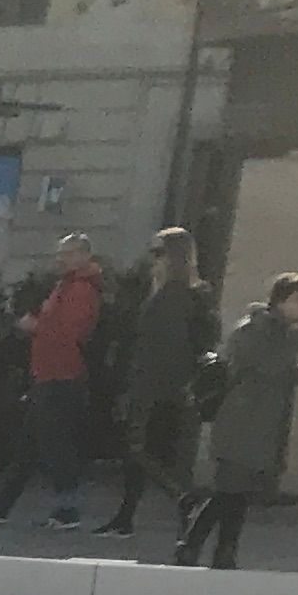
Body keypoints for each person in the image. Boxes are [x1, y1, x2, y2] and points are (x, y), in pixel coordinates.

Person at [176, 271, 298, 570]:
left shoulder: (279, 333)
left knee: (237, 495)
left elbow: (276, 374)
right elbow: (266, 366)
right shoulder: (256, 328)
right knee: (228, 492)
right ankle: (193, 544)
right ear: (286, 300)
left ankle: (221, 551)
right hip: (241, 421)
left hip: (258, 423)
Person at [0, 231, 105, 529]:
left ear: (83, 255)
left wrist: (33, 325)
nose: (59, 259)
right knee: (31, 442)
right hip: (49, 373)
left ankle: (67, 510)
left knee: (55, 445)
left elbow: (68, 332)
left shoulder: (80, 290)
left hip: (61, 376)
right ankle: (1, 505)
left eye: (67, 253)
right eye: (59, 253)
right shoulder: (66, 286)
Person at [103, 226, 212, 541]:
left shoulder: (174, 295)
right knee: (145, 453)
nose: (153, 259)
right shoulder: (171, 290)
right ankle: (130, 517)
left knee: (140, 449)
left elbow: (164, 347)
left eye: (159, 252)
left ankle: (184, 499)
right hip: (164, 383)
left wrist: (140, 386)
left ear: (175, 256)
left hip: (156, 384)